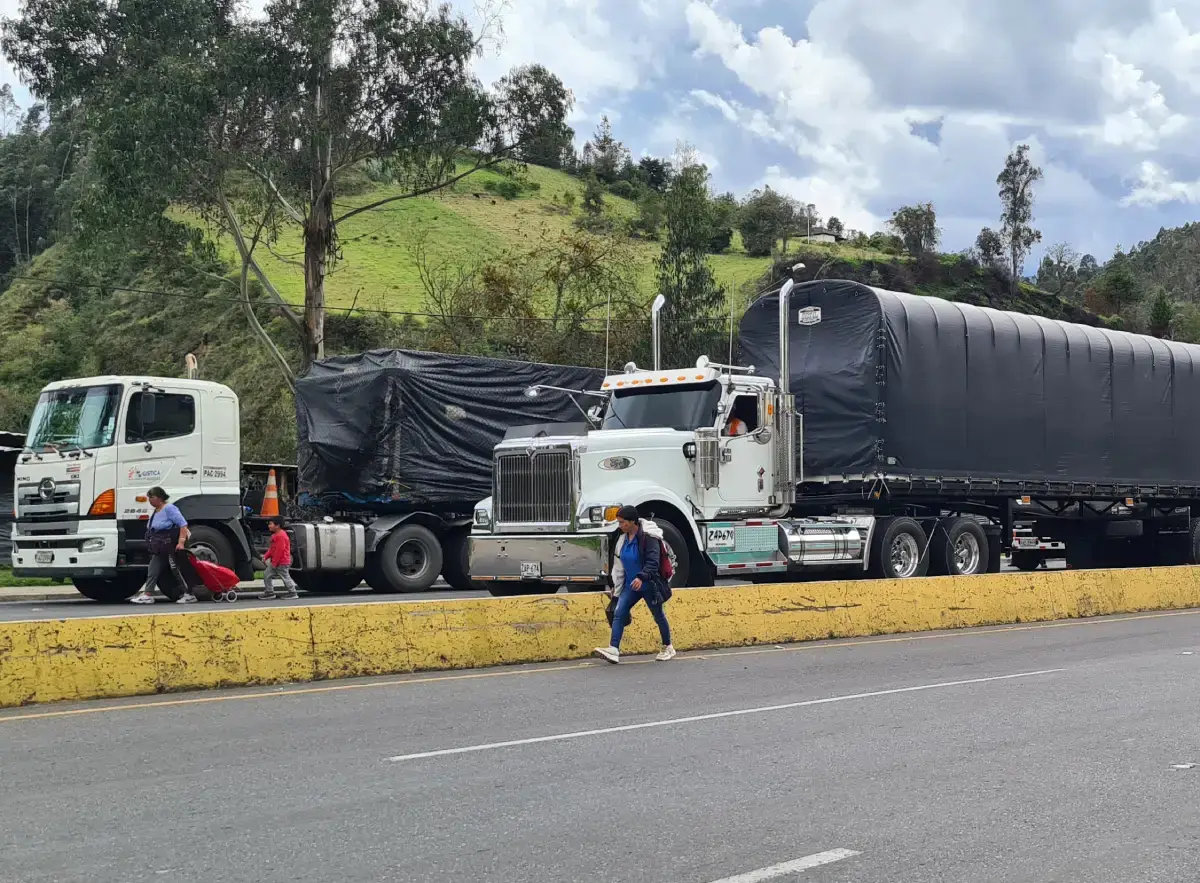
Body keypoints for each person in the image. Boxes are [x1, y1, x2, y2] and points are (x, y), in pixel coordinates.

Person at [594, 506, 675, 664]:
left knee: (658, 615)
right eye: (619, 522)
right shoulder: (622, 539)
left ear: (632, 522)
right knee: (619, 612)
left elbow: (653, 562)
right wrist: (616, 589)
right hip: (631, 586)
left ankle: (668, 647)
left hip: (649, 585)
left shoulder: (649, 538)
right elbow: (618, 567)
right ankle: (614, 649)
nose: (620, 525)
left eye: (622, 522)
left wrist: (641, 577)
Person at [129, 486, 196, 605]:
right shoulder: (157, 510)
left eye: (151, 497)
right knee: (153, 568)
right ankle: (148, 594)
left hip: (171, 544)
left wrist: (181, 543)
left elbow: (183, 525)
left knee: (176, 569)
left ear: (159, 498)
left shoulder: (169, 508)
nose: (149, 500)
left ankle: (189, 594)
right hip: (160, 546)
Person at [261, 517, 299, 600]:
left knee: (285, 577)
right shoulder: (275, 535)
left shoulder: (281, 536)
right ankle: (269, 592)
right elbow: (272, 549)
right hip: (276, 562)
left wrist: (274, 563)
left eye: (271, 524)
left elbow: (279, 551)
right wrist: (266, 556)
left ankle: (292, 592)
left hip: (282, 562)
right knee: (267, 574)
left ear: (277, 526)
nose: (269, 526)